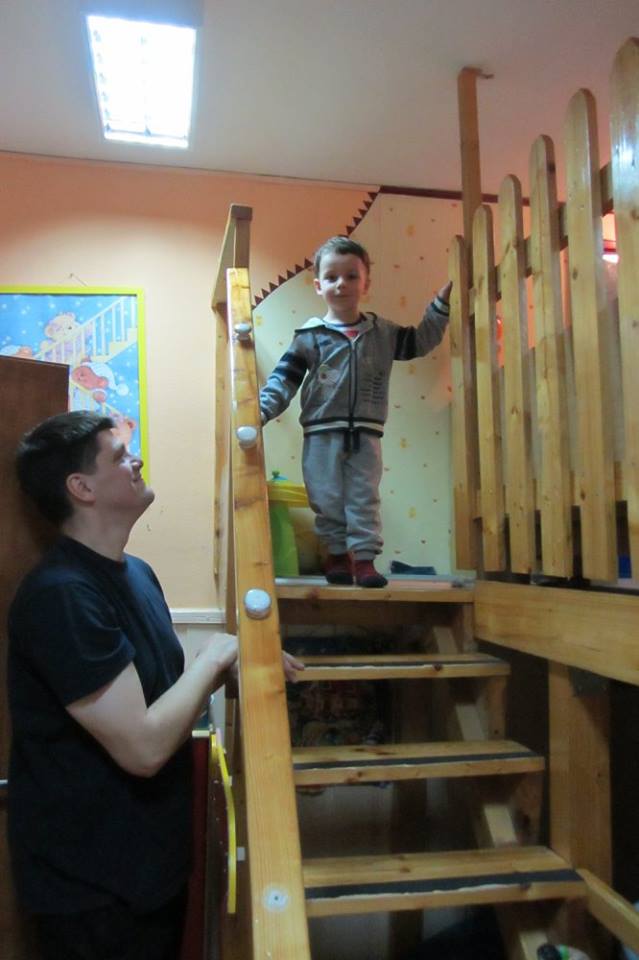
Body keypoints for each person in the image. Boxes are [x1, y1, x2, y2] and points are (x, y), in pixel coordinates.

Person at [6, 411, 300, 960]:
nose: (136, 460)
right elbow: (142, 748)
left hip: (150, 869)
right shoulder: (61, 595)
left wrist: (241, 663)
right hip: (90, 891)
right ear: (81, 488)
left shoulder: (137, 573)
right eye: (119, 456)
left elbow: (160, 695)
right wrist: (217, 653)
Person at [260, 235, 451, 588]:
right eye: (331, 277)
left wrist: (439, 307)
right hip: (320, 433)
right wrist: (261, 411)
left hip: (366, 434)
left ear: (366, 283)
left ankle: (364, 560)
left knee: (364, 497)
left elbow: (420, 341)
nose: (341, 284)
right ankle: (336, 554)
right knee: (325, 497)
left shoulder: (382, 333)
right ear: (318, 285)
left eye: (351, 276)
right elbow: (284, 379)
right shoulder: (310, 336)